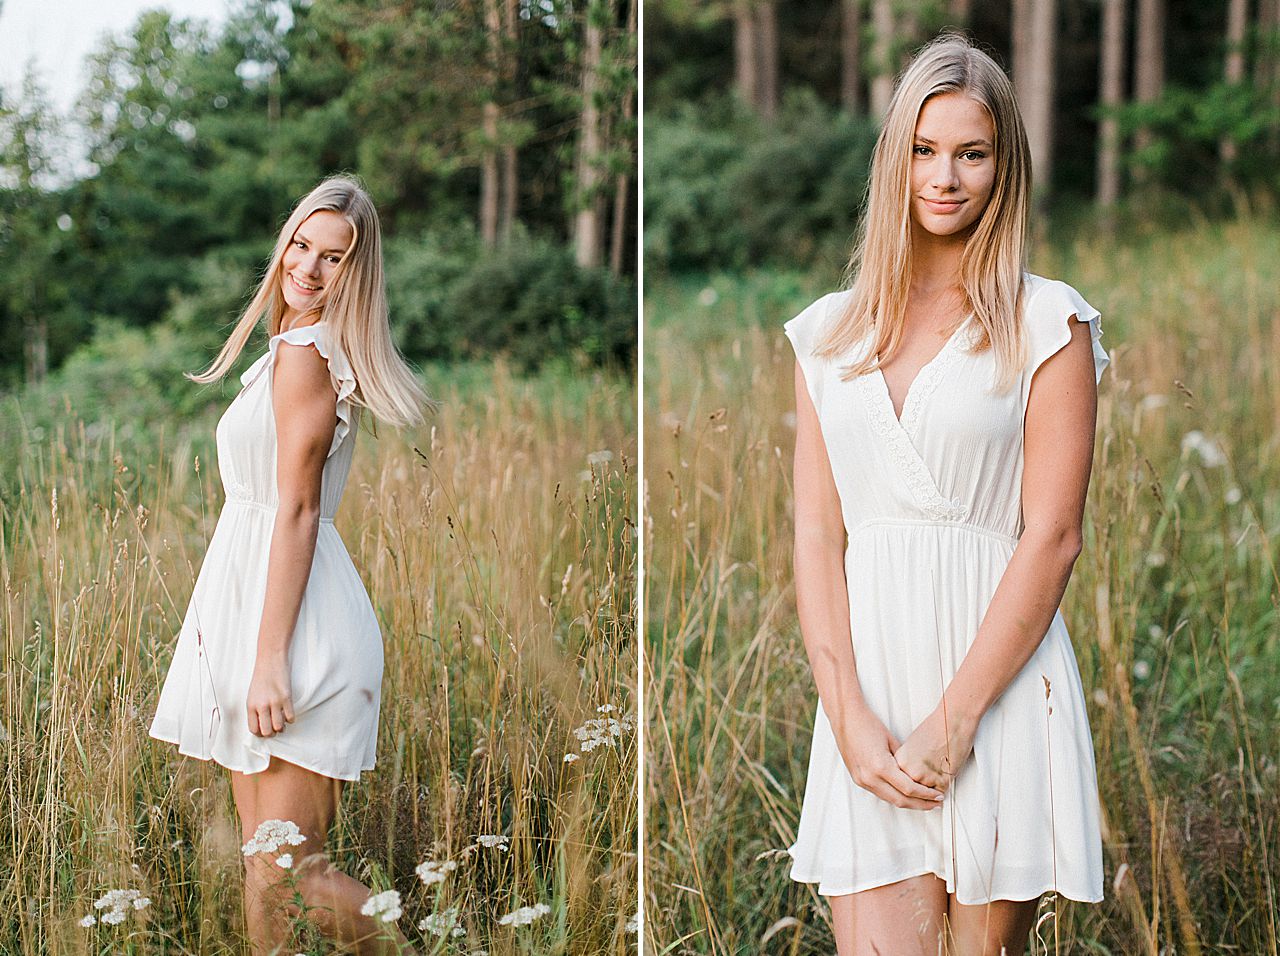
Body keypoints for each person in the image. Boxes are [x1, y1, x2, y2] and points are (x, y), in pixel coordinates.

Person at [783, 33, 1109, 956]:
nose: (946, 177)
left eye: (972, 153)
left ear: (1005, 165)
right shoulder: (829, 335)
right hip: (870, 707)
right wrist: (847, 715)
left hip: (995, 694)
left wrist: (955, 722)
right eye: (925, 151)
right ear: (895, 160)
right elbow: (816, 533)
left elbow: (1052, 537)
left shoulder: (1049, 320)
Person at [149, 174, 431, 954]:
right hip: (260, 620)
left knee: (289, 872)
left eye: (333, 257)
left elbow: (299, 511)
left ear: (356, 274)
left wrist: (268, 660)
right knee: (264, 869)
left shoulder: (308, 355)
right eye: (301, 245)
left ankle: (422, 940)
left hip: (295, 637)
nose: (308, 267)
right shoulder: (287, 351)